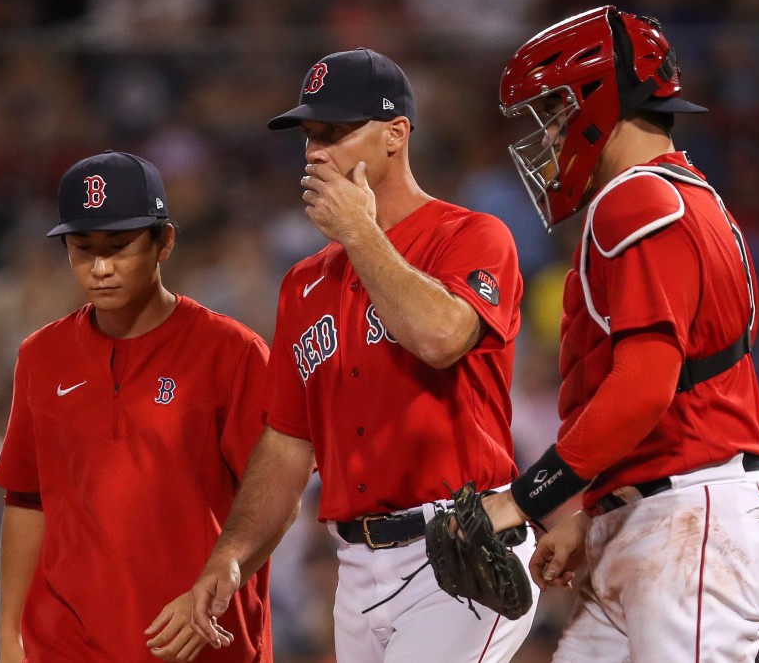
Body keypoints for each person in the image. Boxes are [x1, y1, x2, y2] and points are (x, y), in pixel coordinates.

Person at [175, 48, 537, 662]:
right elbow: (288, 443)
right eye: (311, 135)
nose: (317, 151)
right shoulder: (303, 284)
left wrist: (361, 234)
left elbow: (442, 338)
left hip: (457, 544)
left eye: (337, 133)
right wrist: (231, 555)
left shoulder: (470, 235)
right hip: (355, 566)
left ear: (397, 134)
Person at [478, 6, 759, 662]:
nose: (551, 137)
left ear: (599, 103)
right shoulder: (688, 195)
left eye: (557, 113)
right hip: (665, 508)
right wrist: (595, 511)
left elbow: (645, 386)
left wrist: (528, 500)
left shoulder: (638, 200)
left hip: (692, 516)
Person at [0, 150, 273, 662]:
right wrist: (9, 634)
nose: (100, 268)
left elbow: (277, 491)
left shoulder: (230, 351)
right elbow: (26, 499)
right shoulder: (41, 355)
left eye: (119, 247)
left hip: (194, 639)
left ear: (164, 241)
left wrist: (220, 577)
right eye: (82, 248)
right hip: (66, 643)